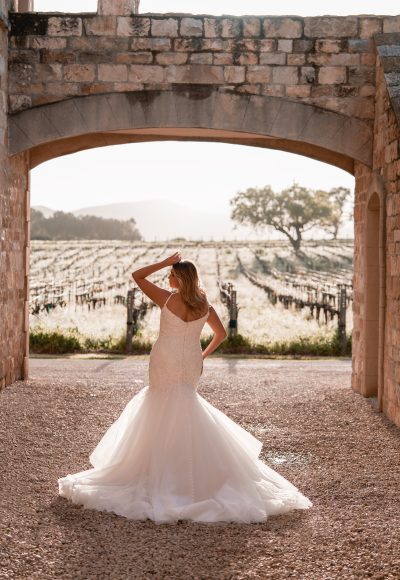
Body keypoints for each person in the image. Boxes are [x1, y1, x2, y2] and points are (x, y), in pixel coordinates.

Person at [58, 252, 312, 523]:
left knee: (160, 404)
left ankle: (161, 471)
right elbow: (221, 334)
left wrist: (165, 261)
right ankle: (191, 472)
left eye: (170, 274)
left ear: (179, 278)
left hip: (165, 357)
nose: (167, 277)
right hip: (191, 360)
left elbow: (137, 276)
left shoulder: (167, 299)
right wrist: (202, 355)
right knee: (186, 404)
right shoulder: (204, 304)